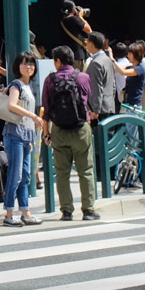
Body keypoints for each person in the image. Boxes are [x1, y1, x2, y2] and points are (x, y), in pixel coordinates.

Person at [42, 45, 97, 222]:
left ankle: (67, 211)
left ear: (57, 61)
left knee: (62, 173)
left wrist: (46, 134)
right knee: (86, 171)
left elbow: (46, 110)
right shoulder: (83, 77)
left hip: (59, 131)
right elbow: (90, 101)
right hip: (81, 130)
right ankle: (88, 210)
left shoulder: (50, 80)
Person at [2, 53, 43, 227]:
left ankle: (25, 211)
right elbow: (11, 105)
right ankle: (9, 212)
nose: (29, 67)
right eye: (25, 64)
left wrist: (32, 138)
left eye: (32, 64)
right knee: (16, 174)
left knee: (25, 175)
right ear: (18, 66)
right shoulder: (16, 85)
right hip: (14, 134)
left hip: (26, 136)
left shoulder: (28, 86)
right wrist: (33, 116)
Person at [84, 32, 116, 123]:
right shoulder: (108, 60)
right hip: (109, 106)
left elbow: (96, 87)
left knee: (99, 136)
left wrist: (95, 109)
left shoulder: (96, 63)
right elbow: (113, 85)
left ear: (91, 43)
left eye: (87, 42)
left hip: (98, 111)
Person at [114, 43, 145, 109]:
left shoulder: (139, 69)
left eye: (130, 54)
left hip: (135, 104)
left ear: (136, 55)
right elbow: (119, 70)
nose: (128, 56)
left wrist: (112, 59)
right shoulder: (130, 67)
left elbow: (123, 72)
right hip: (128, 102)